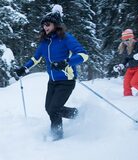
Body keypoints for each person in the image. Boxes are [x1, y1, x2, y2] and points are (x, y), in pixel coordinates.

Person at [14, 5, 88, 141]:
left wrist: (66, 62)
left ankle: (57, 135)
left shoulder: (66, 38)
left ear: (55, 24)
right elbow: (36, 58)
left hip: (66, 80)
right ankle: (77, 114)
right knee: (49, 108)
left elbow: (83, 55)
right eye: (43, 25)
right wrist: (24, 68)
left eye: (48, 24)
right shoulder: (44, 42)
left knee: (54, 109)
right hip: (52, 81)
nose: (45, 27)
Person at [113, 29, 138, 96]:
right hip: (130, 68)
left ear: (131, 38)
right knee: (126, 84)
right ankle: (128, 99)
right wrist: (121, 65)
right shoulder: (125, 46)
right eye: (124, 40)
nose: (125, 42)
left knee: (134, 83)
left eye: (127, 40)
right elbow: (126, 58)